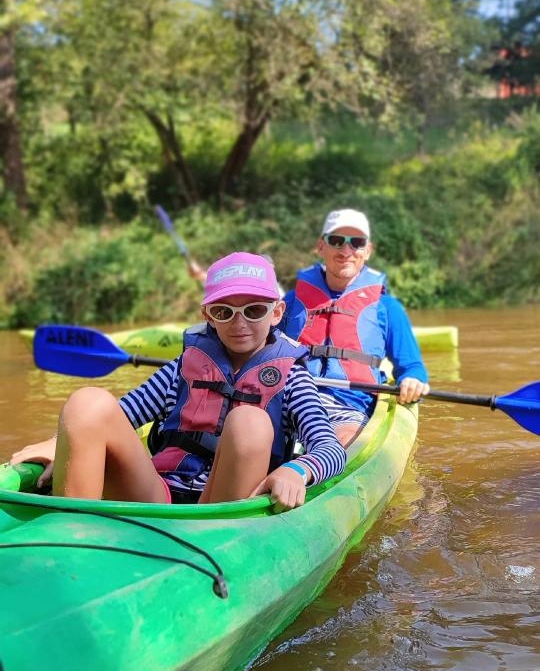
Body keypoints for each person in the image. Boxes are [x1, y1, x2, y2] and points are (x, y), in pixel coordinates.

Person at [10, 253, 346, 511]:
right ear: (208, 316)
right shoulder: (183, 367)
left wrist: (298, 471)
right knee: (87, 403)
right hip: (160, 495)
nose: (239, 323)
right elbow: (119, 415)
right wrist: (59, 442)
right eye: (224, 311)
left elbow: (330, 449)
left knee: (251, 422)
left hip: (223, 512)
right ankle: (74, 535)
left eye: (254, 310)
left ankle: (219, 552)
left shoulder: (293, 379)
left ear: (276, 313)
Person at [280, 208, 429, 446]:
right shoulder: (290, 302)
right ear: (321, 246)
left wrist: (412, 381)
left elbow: (412, 367)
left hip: (348, 406)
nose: (346, 251)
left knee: (337, 443)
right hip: (288, 400)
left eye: (357, 243)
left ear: (367, 251)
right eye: (337, 241)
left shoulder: (387, 308)